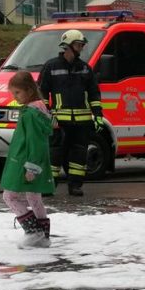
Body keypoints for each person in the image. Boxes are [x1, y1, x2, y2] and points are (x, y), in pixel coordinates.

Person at [39, 29, 103, 197]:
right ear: (68, 46)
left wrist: (98, 115)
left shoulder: (85, 69)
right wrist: (47, 113)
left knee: (79, 155)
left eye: (82, 45)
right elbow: (42, 92)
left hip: (82, 122)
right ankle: (49, 185)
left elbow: (94, 94)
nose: (81, 48)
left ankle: (75, 186)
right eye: (78, 45)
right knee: (54, 155)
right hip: (58, 121)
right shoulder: (51, 66)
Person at [0, 71, 55, 248]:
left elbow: (35, 143)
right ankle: (43, 237)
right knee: (33, 196)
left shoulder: (30, 114)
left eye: (18, 93)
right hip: (32, 161)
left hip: (26, 162)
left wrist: (31, 168)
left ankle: (34, 232)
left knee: (9, 196)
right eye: (12, 93)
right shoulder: (38, 111)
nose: (15, 97)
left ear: (29, 91)